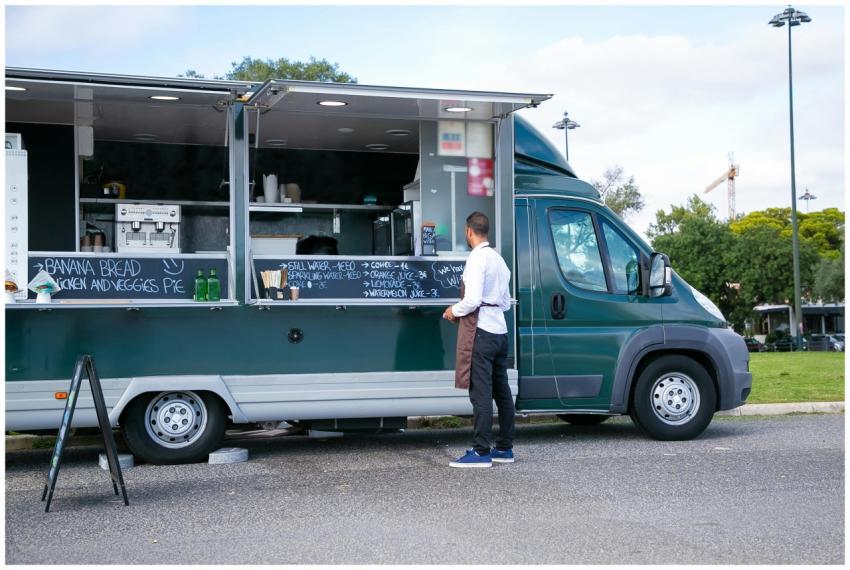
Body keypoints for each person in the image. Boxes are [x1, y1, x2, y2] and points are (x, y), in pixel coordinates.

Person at [442, 212, 514, 468]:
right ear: (487, 231)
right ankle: (504, 448)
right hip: (500, 333)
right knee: (502, 392)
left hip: (481, 333)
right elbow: (505, 302)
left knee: (481, 393)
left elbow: (471, 301)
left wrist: (453, 311)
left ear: (468, 231)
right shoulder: (499, 260)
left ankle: (481, 451)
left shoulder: (476, 259)